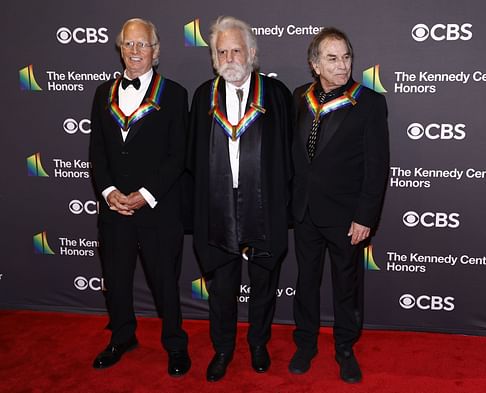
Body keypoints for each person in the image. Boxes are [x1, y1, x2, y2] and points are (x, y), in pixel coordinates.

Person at [187, 16, 292, 382]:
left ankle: (259, 344)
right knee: (222, 288)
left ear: (252, 53)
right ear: (214, 57)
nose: (230, 57)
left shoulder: (276, 95)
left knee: (263, 284)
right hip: (217, 205)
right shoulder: (203, 96)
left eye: (236, 50)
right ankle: (223, 349)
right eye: (222, 51)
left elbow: (289, 159)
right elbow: (191, 161)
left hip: (264, 206)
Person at [89, 18, 190, 376]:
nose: (134, 51)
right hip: (115, 208)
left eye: (141, 44)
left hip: (158, 209)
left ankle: (176, 344)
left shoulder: (175, 94)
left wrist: (146, 195)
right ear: (120, 49)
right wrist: (109, 192)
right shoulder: (103, 93)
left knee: (165, 280)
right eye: (128, 45)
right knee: (115, 279)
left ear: (155, 51)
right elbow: (97, 151)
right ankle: (122, 337)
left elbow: (178, 154)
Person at [289, 27, 389, 383]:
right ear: (315, 64)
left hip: (347, 217)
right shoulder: (300, 97)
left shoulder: (370, 102)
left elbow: (378, 166)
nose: (342, 65)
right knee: (306, 282)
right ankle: (305, 343)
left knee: (347, 286)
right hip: (303, 212)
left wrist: (365, 217)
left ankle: (345, 347)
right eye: (332, 58)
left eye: (346, 57)